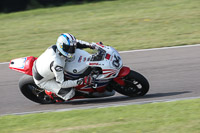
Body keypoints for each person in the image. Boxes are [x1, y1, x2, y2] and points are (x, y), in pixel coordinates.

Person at [32, 33, 115, 101]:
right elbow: (62, 84)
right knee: (69, 94)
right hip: (43, 80)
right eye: (69, 48)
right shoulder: (58, 63)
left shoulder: (57, 47)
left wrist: (92, 45)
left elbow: (76, 43)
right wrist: (81, 81)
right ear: (62, 47)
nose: (72, 50)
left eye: (72, 48)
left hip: (44, 66)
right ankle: (50, 93)